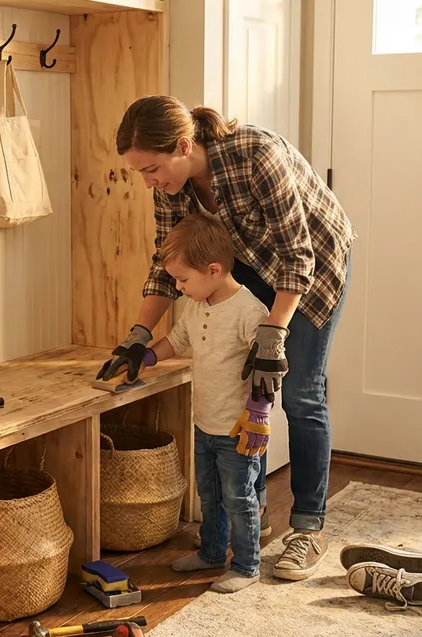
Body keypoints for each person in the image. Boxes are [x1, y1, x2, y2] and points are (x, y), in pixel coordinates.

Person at [97, 95, 356, 581]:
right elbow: (166, 263)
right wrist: (137, 337)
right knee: (245, 383)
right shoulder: (170, 186)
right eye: (142, 174)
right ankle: (250, 519)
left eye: (152, 169)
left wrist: (273, 336)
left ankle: (306, 528)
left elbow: (296, 256)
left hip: (314, 265)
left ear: (182, 144)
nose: (150, 182)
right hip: (251, 270)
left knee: (299, 393)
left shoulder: (256, 155)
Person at [130, 212, 272, 593]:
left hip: (238, 429)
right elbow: (176, 341)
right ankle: (211, 553)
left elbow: (270, 368)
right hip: (204, 424)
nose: (177, 287)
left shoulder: (250, 312)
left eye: (182, 279)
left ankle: (246, 565)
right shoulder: (196, 305)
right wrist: (141, 357)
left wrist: (259, 415)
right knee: (209, 495)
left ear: (213, 270)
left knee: (239, 499)